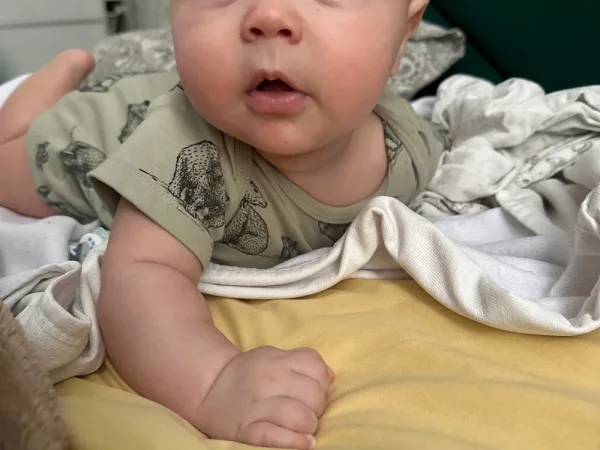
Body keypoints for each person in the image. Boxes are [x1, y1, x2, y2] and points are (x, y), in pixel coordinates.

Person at [0, 1, 447, 448]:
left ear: (402, 34)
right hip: (72, 135)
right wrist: (214, 381)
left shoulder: (408, 144)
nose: (270, 16)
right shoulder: (188, 153)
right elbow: (141, 275)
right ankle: (44, 89)